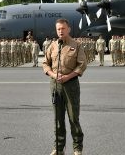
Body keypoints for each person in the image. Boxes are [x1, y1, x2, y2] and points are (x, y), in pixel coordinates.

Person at [42, 19, 87, 155]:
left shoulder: (76, 45)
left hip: (71, 84)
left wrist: (68, 76)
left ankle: (77, 148)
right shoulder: (52, 46)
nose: (60, 31)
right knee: (58, 119)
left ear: (68, 29)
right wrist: (52, 74)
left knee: (74, 118)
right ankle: (59, 148)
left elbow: (82, 65)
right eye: (58, 29)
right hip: (55, 85)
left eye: (63, 28)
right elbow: (45, 63)